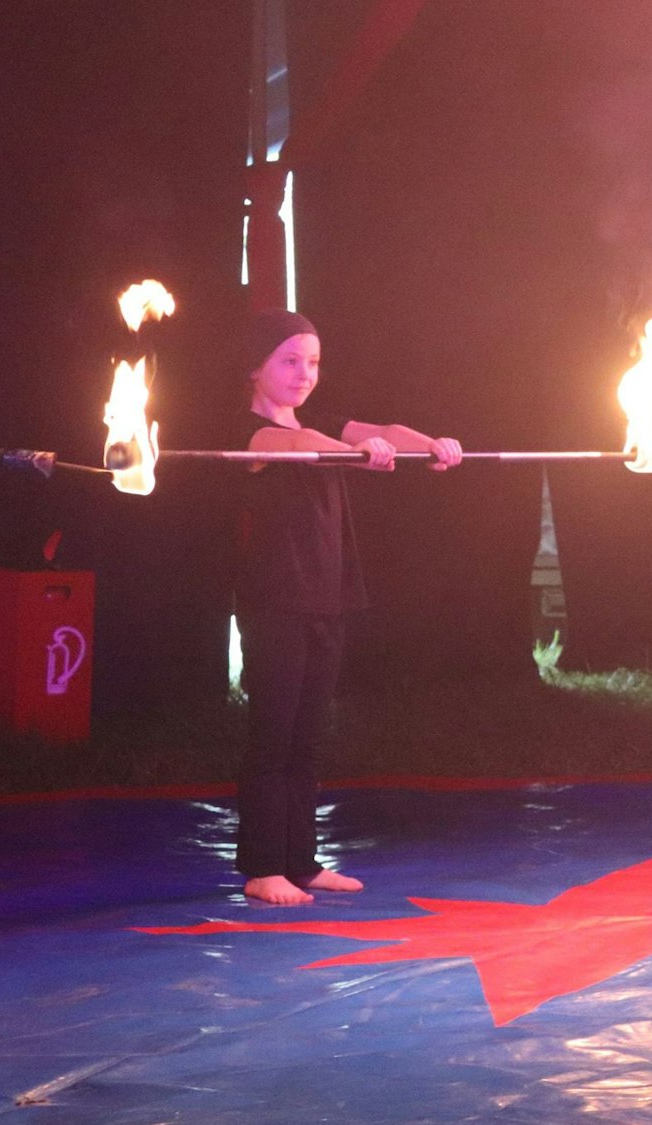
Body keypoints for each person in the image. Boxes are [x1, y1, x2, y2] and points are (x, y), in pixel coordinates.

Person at [234, 309, 462, 906]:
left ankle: (302, 862)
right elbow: (306, 445)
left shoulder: (324, 425)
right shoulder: (250, 433)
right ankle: (262, 867)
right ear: (255, 368)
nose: (304, 373)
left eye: (312, 361)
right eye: (289, 360)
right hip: (276, 603)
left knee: (308, 739)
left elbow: (378, 427)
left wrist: (431, 446)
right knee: (273, 736)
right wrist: (361, 452)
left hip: (326, 600)